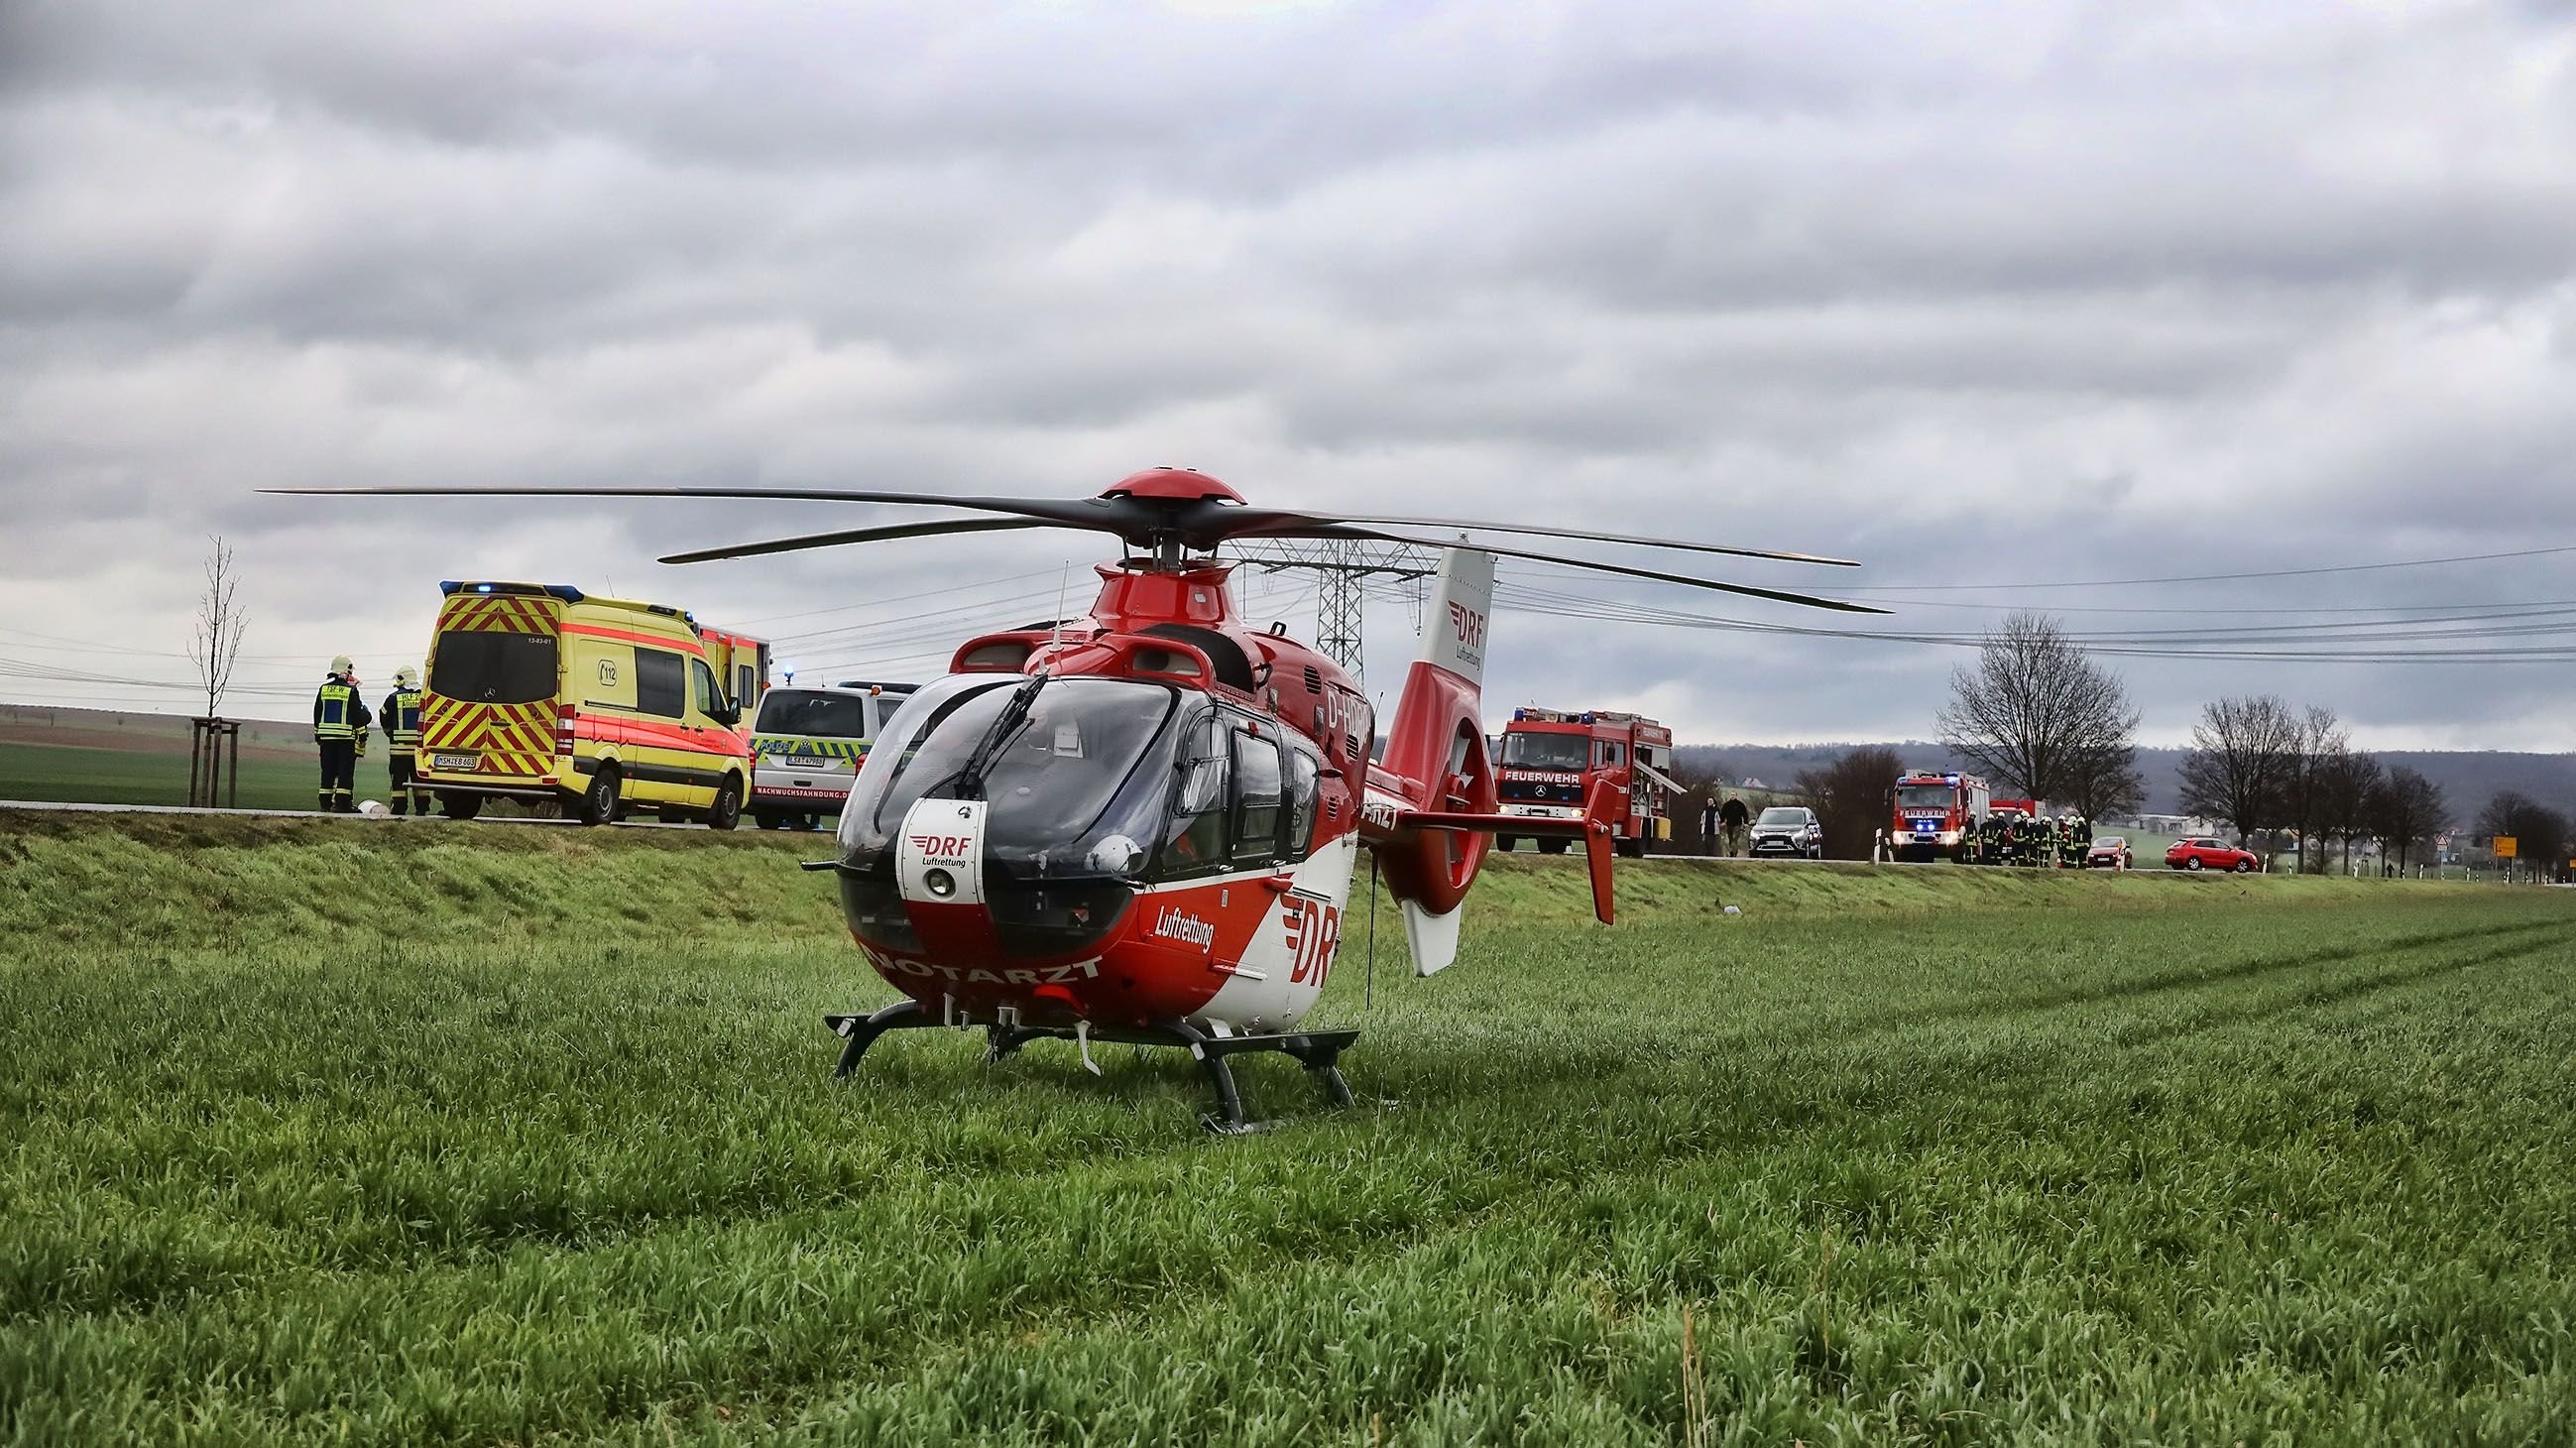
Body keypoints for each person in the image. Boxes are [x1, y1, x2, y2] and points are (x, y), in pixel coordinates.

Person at [312, 656, 372, 813]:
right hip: (345, 739)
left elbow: (317, 713)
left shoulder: (323, 689)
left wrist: (318, 734)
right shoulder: (350, 691)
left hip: (326, 739)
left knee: (328, 772)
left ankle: (325, 803)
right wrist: (362, 734)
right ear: (346, 671)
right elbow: (357, 717)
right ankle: (342, 804)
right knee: (345, 772)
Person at [381, 665, 430, 816]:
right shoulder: (425, 697)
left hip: (399, 750)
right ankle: (422, 809)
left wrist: (391, 734)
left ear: (401, 679)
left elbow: (384, 717)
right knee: (420, 781)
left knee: (399, 782)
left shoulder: (393, 698)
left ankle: (399, 809)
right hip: (420, 751)